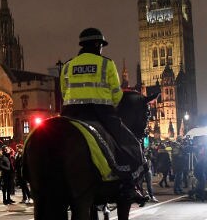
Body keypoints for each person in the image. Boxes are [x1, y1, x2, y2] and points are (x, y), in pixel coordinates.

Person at [60, 27, 147, 206]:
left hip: (70, 114)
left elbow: (63, 92)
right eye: (101, 46)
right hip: (100, 113)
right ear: (98, 45)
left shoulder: (68, 65)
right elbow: (117, 95)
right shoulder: (106, 64)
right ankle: (131, 186)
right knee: (131, 144)